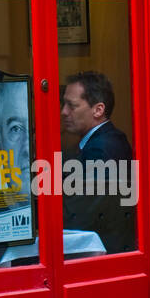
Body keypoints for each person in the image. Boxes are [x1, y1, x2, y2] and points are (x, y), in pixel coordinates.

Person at [60, 71, 136, 254]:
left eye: (72, 105)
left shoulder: (102, 148)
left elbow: (79, 213)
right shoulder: (103, 141)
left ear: (98, 110)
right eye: (64, 104)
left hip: (105, 254)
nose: (63, 111)